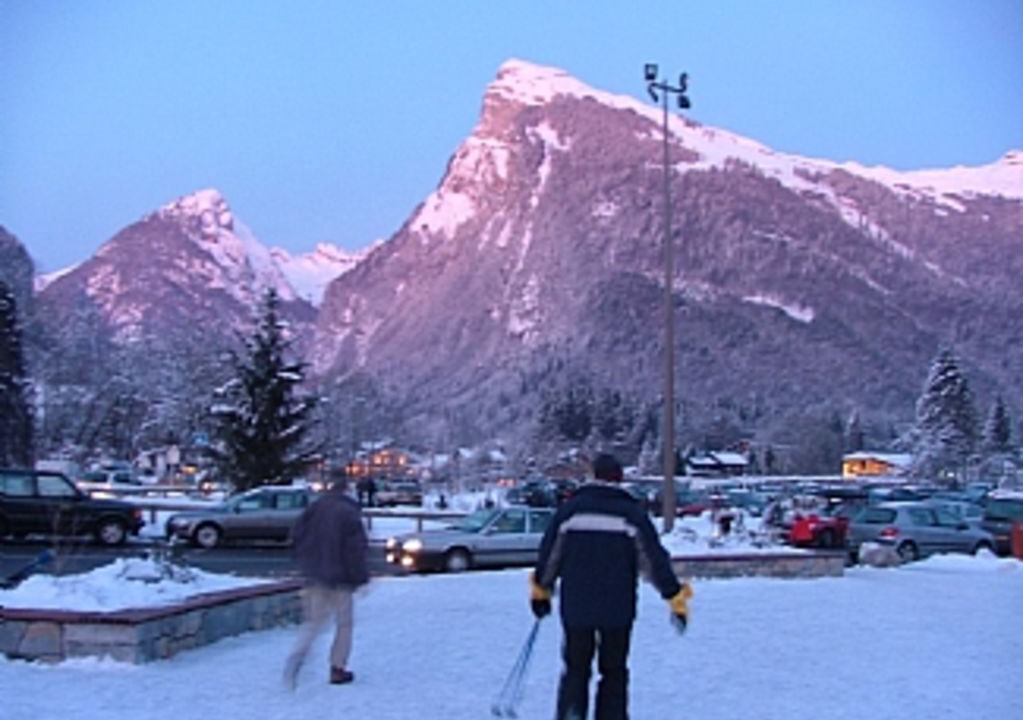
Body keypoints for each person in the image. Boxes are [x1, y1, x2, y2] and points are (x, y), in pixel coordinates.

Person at [530, 453, 693, 720]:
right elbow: (652, 561)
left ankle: (571, 714)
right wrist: (675, 598)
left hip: (577, 608)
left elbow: (550, 556)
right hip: (618, 610)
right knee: (614, 671)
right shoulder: (630, 514)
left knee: (575, 668)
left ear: (593, 476)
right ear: (619, 479)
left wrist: (541, 591)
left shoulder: (570, 511)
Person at [283, 470, 369, 689]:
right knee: (344, 624)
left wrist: (306, 565)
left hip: (315, 576)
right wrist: (360, 577)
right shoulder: (349, 512)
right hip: (341, 579)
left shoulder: (315, 508)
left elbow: (298, 537)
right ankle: (337, 668)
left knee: (313, 622)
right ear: (346, 487)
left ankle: (298, 655)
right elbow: (355, 549)